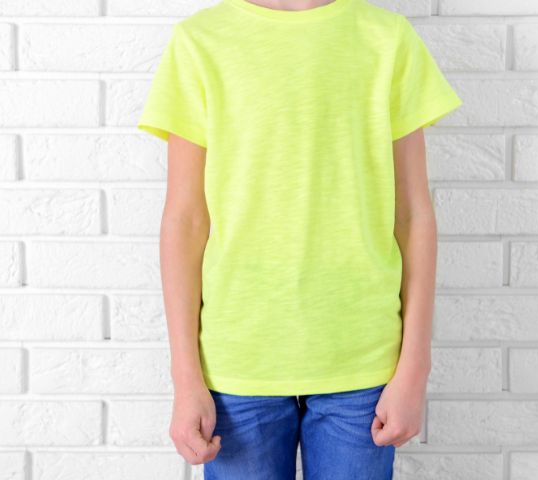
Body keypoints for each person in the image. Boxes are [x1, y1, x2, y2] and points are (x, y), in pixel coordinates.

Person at [137, 0, 462, 477]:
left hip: (362, 357)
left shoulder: (387, 39)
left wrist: (415, 367)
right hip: (237, 360)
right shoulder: (201, 41)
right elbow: (185, 221)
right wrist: (185, 377)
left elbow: (412, 215)